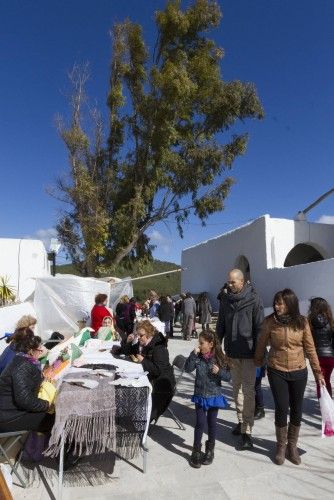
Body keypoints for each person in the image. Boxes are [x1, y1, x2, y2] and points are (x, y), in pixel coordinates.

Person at [254, 289, 325, 465]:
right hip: (276, 369)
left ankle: (292, 446)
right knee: (281, 406)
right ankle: (280, 446)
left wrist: (318, 373)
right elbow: (261, 344)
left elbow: (310, 348)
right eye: (276, 303)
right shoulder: (270, 322)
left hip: (299, 370)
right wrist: (257, 362)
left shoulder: (302, 322)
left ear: (290, 304)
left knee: (297, 408)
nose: (277, 306)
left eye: (280, 303)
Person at [216, 269, 264, 450]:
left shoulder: (254, 299)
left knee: (249, 391)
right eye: (228, 282)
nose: (229, 285)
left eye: (233, 282)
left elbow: (260, 328)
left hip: (249, 353)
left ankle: (247, 432)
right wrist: (217, 344)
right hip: (232, 353)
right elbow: (221, 323)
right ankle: (240, 421)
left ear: (242, 282)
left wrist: (260, 353)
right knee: (236, 391)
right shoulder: (226, 300)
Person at [184, 330, 230, 468]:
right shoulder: (197, 357)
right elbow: (187, 368)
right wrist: (193, 354)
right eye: (199, 342)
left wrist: (219, 372)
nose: (199, 345)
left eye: (201, 343)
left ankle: (210, 449)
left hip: (214, 396)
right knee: (199, 423)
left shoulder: (219, 358)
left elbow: (228, 377)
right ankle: (196, 450)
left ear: (211, 344)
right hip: (200, 396)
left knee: (212, 423)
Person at [117, 320, 175, 422]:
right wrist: (127, 342)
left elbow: (158, 370)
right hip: (151, 378)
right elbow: (128, 351)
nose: (138, 338)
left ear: (148, 334)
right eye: (137, 335)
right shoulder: (143, 344)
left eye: (141, 335)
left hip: (162, 385)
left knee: (133, 393)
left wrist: (143, 361)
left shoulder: (159, 348)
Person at [0, 329, 54, 433]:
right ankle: (40, 446)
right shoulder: (22, 367)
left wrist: (42, 378)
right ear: (31, 351)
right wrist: (47, 404)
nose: (41, 352)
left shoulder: (21, 359)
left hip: (9, 413)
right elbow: (25, 400)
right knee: (54, 415)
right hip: (8, 418)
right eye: (39, 350)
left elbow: (26, 385)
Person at [308, 297, 334, 398]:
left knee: (320, 381)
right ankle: (329, 405)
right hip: (330, 356)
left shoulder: (309, 321)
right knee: (326, 380)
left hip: (316, 356)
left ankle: (324, 406)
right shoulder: (330, 320)